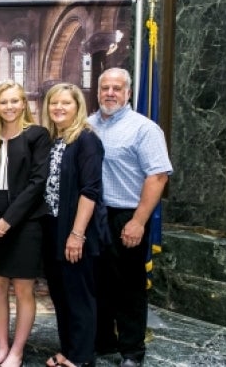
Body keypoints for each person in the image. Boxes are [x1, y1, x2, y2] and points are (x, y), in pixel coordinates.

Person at [87, 68, 173, 367]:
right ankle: (103, 341)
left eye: (116, 88)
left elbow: (158, 177)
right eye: (105, 88)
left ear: (128, 92)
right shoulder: (87, 125)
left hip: (127, 214)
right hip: (93, 215)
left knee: (128, 286)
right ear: (97, 92)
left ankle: (132, 351)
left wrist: (138, 221)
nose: (110, 93)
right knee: (97, 282)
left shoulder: (144, 129)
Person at [0, 81, 51, 367]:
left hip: (25, 223)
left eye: (14, 101)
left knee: (23, 289)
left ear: (23, 104)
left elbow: (37, 183)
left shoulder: (37, 135)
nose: (8, 107)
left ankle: (17, 352)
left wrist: (7, 221)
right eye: (3, 101)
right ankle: (2, 347)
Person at [40, 83, 110, 367]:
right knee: (61, 295)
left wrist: (77, 234)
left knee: (79, 297)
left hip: (76, 231)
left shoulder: (86, 140)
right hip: (54, 229)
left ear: (77, 106)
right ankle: (68, 350)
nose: (58, 108)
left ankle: (82, 358)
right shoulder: (57, 140)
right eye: (54, 103)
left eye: (65, 103)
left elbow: (90, 190)